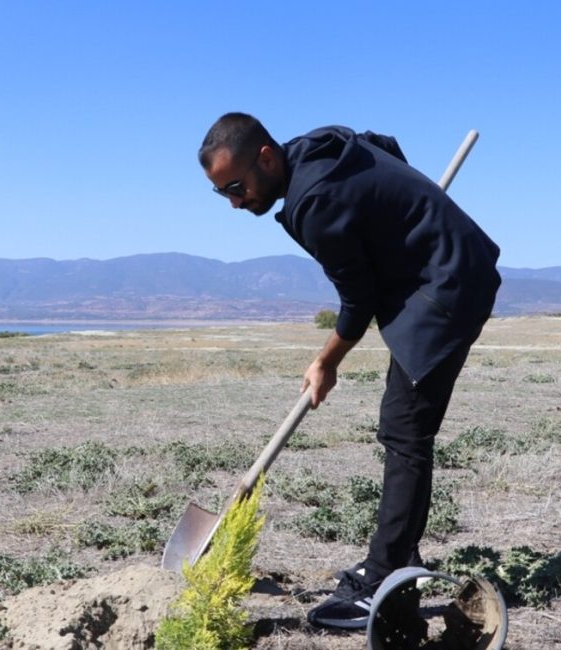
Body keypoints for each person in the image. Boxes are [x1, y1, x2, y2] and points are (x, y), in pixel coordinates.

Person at [198, 112, 502, 630]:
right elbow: (383, 144)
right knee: (402, 429)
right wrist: (403, 216)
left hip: (445, 288)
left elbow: (357, 300)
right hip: (435, 272)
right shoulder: (319, 145)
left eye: (236, 186)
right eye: (221, 193)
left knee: (406, 433)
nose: (234, 202)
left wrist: (325, 362)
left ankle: (381, 581)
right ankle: (399, 574)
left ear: (266, 158)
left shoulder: (312, 202)